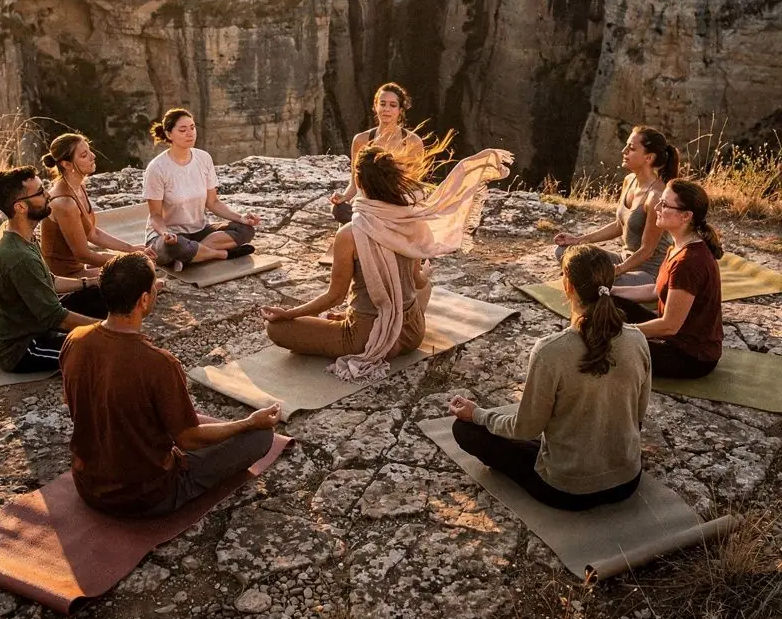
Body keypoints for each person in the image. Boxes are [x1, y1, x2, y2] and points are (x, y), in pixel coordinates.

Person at [263, 141, 513, 381]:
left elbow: (334, 297)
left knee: (277, 329)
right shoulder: (410, 220)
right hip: (412, 333)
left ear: (359, 182)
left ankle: (361, 327)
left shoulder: (350, 233)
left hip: (365, 335)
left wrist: (289, 313)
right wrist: (424, 273)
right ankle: (381, 322)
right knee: (425, 286)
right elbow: (417, 281)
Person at [60, 254, 280, 516]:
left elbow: (75, 402)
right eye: (155, 286)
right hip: (147, 495)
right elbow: (188, 440)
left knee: (193, 420)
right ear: (143, 299)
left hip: (87, 484)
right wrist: (249, 423)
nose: (157, 290)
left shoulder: (75, 340)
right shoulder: (159, 363)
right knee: (260, 437)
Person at [448, 245, 650, 511]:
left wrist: (478, 415)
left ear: (568, 285)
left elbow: (526, 428)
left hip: (568, 490)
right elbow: (638, 414)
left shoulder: (550, 351)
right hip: (626, 480)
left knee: (464, 430)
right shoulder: (637, 339)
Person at [0, 167, 108, 373]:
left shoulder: (19, 232)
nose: (49, 194)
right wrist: (106, 331)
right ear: (21, 207)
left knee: (98, 294)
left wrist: (91, 282)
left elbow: (48, 280)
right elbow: (55, 317)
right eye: (40, 192)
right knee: (101, 352)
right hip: (21, 346)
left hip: (36, 321)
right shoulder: (18, 256)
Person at [613, 179, 723, 378]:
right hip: (672, 336)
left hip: (690, 355)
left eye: (664, 204)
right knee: (608, 301)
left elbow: (669, 325)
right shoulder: (677, 245)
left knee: (608, 347)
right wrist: (610, 290)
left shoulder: (689, 261)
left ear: (686, 216)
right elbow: (655, 290)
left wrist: (624, 333)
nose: (656, 207)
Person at [553, 126, 679, 284]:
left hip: (648, 273)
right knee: (564, 251)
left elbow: (648, 250)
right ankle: (590, 282)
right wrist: (578, 240)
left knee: (603, 280)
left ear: (649, 158)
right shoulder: (629, 180)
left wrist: (617, 270)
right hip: (623, 261)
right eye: (626, 145)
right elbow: (620, 225)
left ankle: (591, 284)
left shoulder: (656, 196)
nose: (624, 151)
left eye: (631, 148)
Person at [143, 107, 259, 268]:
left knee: (246, 230)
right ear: (169, 134)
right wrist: (164, 233)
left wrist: (241, 218)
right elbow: (155, 215)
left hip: (199, 231)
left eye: (192, 127)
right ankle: (221, 254)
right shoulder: (157, 168)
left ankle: (192, 254)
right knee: (174, 247)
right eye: (183, 130)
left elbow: (213, 202)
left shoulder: (203, 158)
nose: (190, 133)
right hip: (170, 237)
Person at [40, 132, 154, 278]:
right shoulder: (64, 203)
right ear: (67, 164)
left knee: (143, 269)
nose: (93, 156)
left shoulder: (78, 185)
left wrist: (131, 249)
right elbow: (83, 255)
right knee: (141, 275)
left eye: (89, 151)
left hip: (81, 267)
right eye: (84, 155)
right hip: (66, 276)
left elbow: (93, 233)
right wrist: (130, 260)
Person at [330, 83, 424, 224]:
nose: (386, 109)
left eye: (393, 105)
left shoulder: (412, 142)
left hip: (398, 203)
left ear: (400, 110)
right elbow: (355, 184)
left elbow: (415, 184)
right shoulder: (361, 140)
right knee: (339, 210)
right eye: (383, 104)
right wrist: (344, 197)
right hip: (367, 202)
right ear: (375, 106)